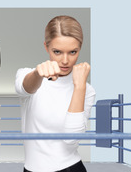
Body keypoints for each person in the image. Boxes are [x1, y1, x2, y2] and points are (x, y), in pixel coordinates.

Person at [15, 15, 96, 172]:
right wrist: (38, 74)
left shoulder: (87, 89)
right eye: (57, 51)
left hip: (70, 168)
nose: (65, 60)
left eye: (73, 52)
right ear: (46, 47)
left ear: (80, 48)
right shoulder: (26, 74)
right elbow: (25, 88)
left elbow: (71, 139)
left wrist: (79, 87)